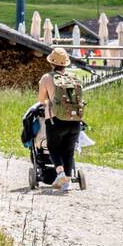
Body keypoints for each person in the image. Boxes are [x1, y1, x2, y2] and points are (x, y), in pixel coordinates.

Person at [37, 47, 83, 191]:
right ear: (65, 64)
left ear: (52, 63)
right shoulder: (73, 77)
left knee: (53, 147)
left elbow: (42, 100)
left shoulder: (46, 78)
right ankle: (67, 183)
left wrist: (49, 102)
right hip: (75, 121)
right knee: (68, 151)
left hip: (55, 120)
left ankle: (60, 173)